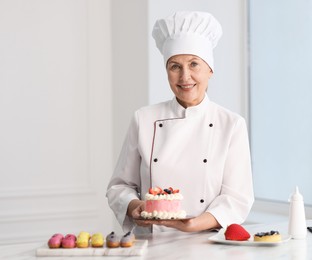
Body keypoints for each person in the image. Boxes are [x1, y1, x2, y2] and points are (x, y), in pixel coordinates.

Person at [106, 11, 254, 234]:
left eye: (194, 64)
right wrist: (135, 207)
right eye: (175, 66)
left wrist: (193, 224)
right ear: (166, 71)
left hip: (207, 243)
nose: (185, 77)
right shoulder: (144, 119)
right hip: (153, 244)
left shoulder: (231, 124)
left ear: (210, 70)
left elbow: (237, 198)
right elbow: (119, 187)